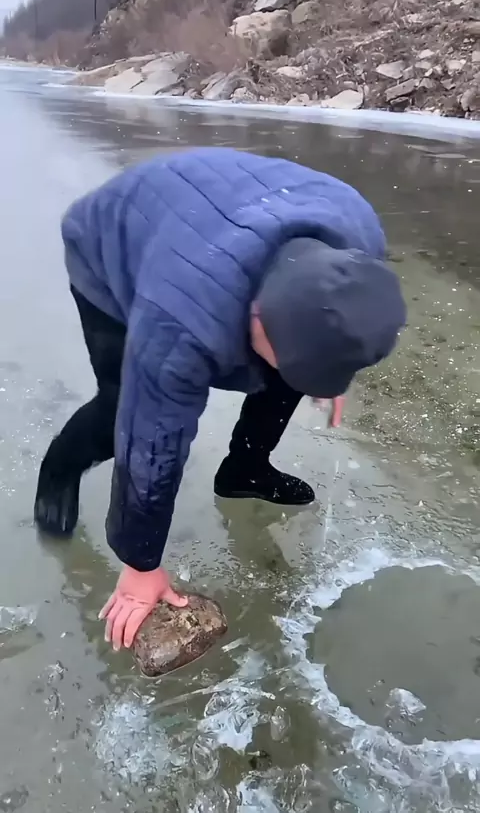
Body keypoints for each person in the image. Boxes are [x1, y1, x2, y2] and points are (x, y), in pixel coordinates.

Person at [34, 147, 406, 651]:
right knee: (121, 403)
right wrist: (140, 563)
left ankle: (244, 470)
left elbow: (341, 319)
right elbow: (152, 435)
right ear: (255, 313)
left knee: (285, 373)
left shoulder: (358, 241)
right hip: (110, 241)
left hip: (221, 211)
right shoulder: (181, 317)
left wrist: (331, 371)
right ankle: (58, 474)